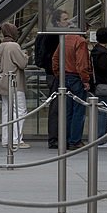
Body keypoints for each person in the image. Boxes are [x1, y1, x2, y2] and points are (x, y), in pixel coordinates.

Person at [52, 22, 92, 149]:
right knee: (78, 112)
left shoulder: (63, 38)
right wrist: (85, 79)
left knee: (67, 111)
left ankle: (66, 140)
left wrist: (59, 75)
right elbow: (81, 63)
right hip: (77, 78)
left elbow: (55, 59)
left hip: (66, 78)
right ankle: (75, 141)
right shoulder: (80, 41)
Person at [35, 9, 68, 149]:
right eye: (65, 19)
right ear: (57, 21)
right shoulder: (55, 36)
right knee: (56, 108)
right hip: (56, 75)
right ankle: (55, 138)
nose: (68, 22)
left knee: (56, 107)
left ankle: (56, 138)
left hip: (52, 74)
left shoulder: (45, 34)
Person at [0, 23, 29, 149]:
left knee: (6, 111)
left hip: (3, 81)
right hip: (15, 82)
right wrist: (25, 56)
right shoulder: (14, 46)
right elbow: (22, 64)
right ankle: (16, 140)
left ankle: (5, 139)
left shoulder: (1, 46)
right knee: (20, 110)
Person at [90, 27, 107, 147]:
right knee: (103, 112)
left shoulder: (95, 50)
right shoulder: (103, 53)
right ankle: (101, 139)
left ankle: (101, 137)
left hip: (98, 84)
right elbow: (103, 68)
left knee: (101, 112)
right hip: (105, 84)